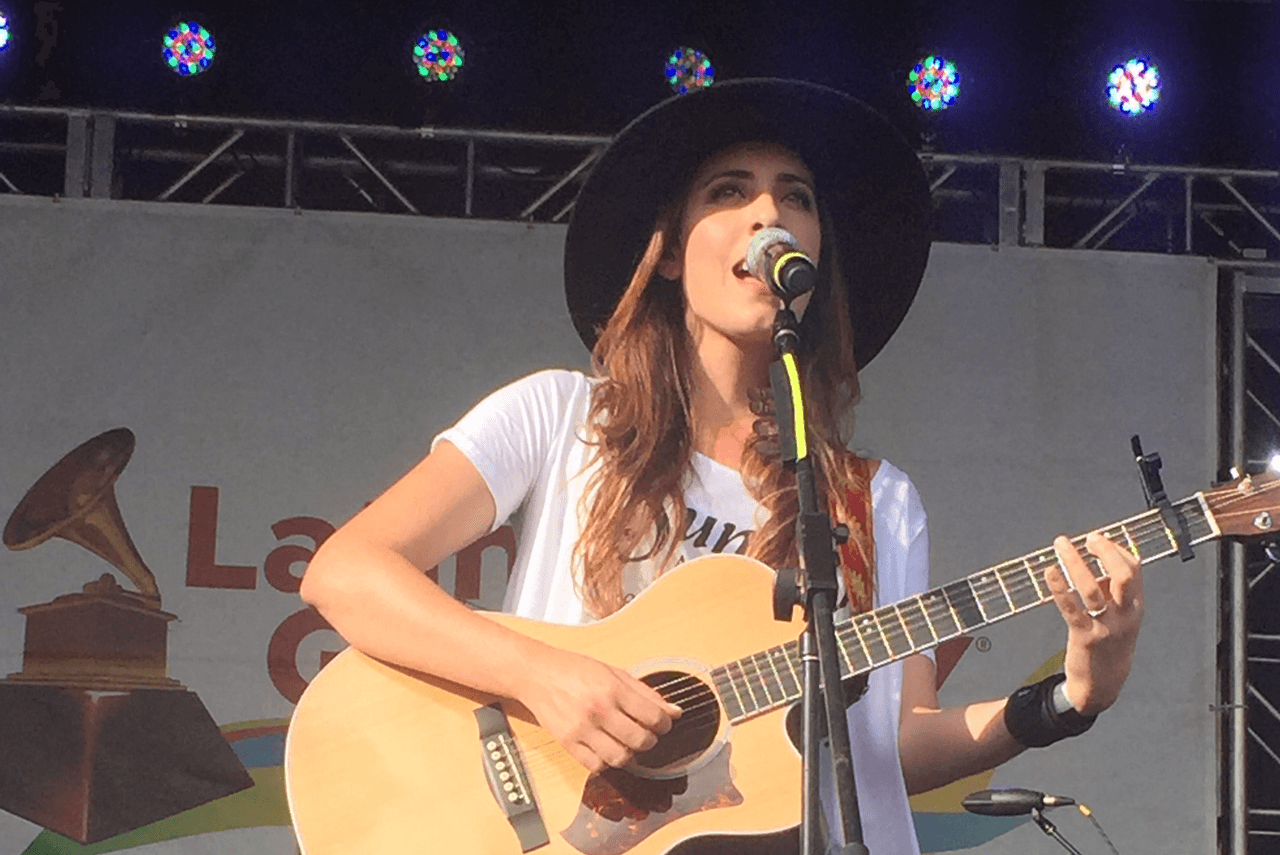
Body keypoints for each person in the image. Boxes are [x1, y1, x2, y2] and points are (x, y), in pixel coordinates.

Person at [299, 79, 1144, 855]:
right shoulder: (559, 415)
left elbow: (890, 743)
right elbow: (345, 572)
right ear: (669, 251)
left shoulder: (874, 498)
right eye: (729, 191)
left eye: (797, 198)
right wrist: (542, 676)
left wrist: (1071, 696)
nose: (768, 211)